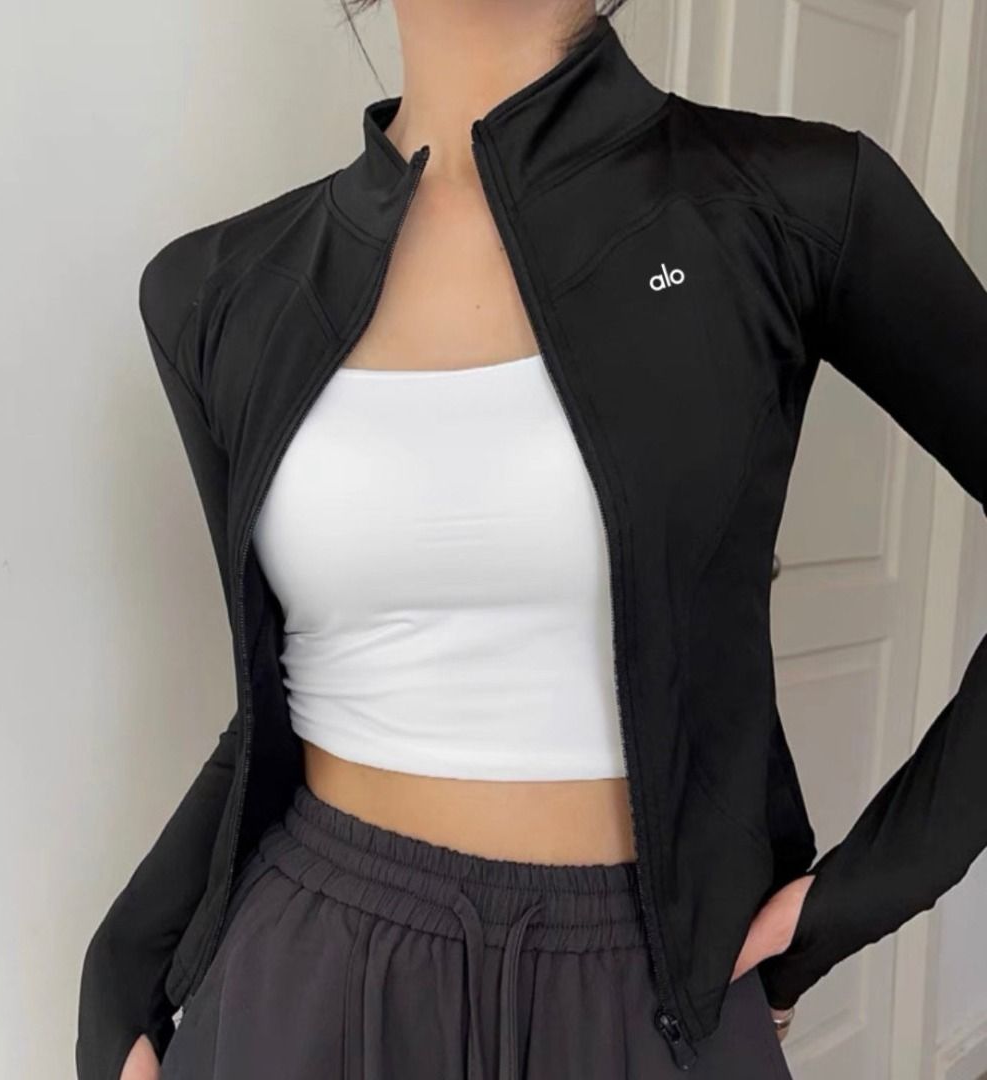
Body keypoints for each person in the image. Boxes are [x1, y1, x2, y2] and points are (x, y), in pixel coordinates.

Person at [75, 2, 987, 1079]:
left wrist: (855, 897)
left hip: (643, 998)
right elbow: (274, 700)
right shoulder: (216, 290)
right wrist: (122, 965)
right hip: (303, 974)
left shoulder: (792, 203)